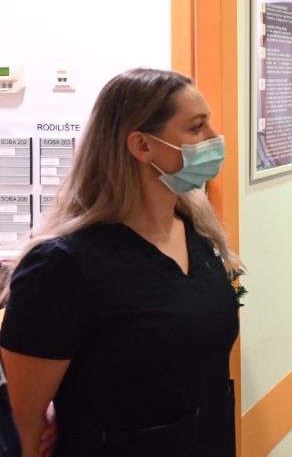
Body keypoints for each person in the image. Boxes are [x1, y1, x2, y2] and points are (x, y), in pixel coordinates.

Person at [0, 68, 240, 456]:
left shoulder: (197, 235)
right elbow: (25, 428)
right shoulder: (62, 266)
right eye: (197, 127)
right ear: (142, 145)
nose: (215, 138)